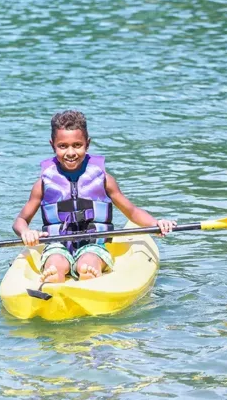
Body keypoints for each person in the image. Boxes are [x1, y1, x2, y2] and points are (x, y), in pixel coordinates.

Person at [13, 110, 175, 282]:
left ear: (87, 144)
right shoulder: (43, 184)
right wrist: (26, 232)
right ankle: (55, 274)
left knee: (88, 261)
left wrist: (155, 224)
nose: (70, 152)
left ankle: (88, 274)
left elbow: (132, 212)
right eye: (63, 146)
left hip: (94, 246)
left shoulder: (104, 179)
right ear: (52, 145)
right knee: (55, 262)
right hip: (57, 246)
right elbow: (20, 221)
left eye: (77, 145)